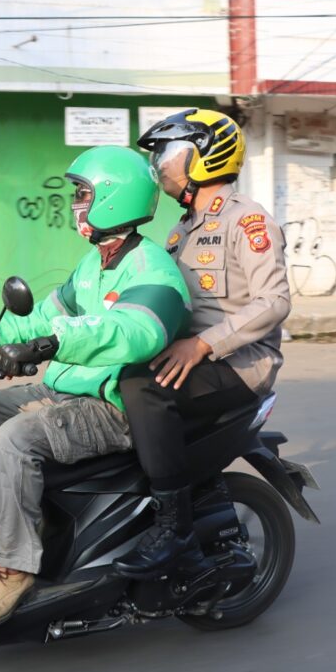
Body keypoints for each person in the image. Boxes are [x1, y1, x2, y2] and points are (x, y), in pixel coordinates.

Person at [0, 145, 191, 631]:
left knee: (16, 438)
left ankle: (14, 568)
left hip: (111, 405)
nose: (76, 203)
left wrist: (50, 345)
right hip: (67, 390)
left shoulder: (153, 269)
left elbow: (132, 332)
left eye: (84, 194)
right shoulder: (93, 266)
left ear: (113, 199)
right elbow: (43, 317)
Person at [111, 108, 291, 578]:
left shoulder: (247, 220)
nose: (161, 166)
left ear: (204, 159)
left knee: (141, 387)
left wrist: (203, 346)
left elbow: (274, 301)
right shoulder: (179, 231)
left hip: (242, 363)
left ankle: (174, 531)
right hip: (196, 358)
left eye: (170, 154)